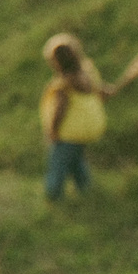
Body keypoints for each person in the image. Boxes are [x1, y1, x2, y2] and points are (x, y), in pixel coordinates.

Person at [40, 31, 111, 201]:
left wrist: (52, 132)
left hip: (68, 134)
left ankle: (53, 196)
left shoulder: (63, 86)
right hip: (85, 132)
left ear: (56, 63)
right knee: (75, 161)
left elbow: (59, 110)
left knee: (58, 165)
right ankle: (86, 190)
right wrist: (106, 91)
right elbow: (100, 91)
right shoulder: (89, 75)